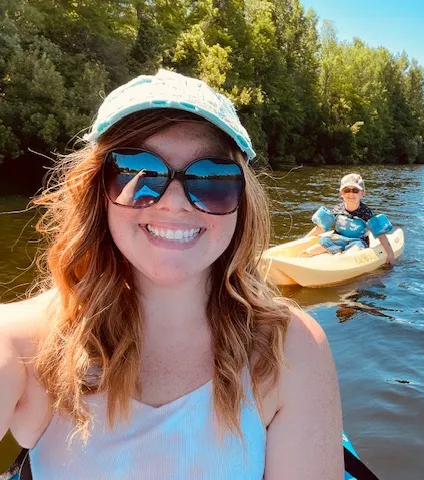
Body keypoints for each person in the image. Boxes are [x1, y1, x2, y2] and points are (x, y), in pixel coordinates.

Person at [0, 69, 343, 479]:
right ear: (99, 191)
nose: (175, 203)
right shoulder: (21, 347)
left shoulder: (291, 351)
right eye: (139, 171)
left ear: (242, 201)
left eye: (210, 178)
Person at [301, 173, 396, 265]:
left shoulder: (365, 212)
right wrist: (303, 240)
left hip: (357, 241)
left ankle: (341, 257)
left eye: (355, 190)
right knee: (309, 252)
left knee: (350, 255)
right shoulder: (338, 209)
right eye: (347, 190)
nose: (351, 193)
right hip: (337, 238)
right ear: (341, 193)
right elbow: (321, 227)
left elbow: (379, 233)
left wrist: (390, 253)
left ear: (362, 193)